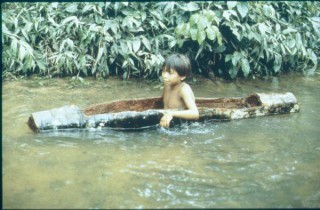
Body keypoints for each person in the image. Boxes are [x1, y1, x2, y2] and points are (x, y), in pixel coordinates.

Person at [159, 54, 199, 128]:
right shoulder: (167, 86)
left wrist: (171, 114)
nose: (164, 75)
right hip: (167, 124)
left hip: (182, 127)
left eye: (170, 73)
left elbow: (195, 113)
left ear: (182, 76)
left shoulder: (183, 89)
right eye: (163, 71)